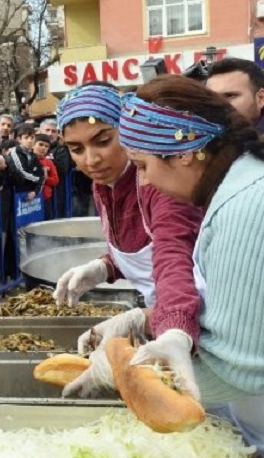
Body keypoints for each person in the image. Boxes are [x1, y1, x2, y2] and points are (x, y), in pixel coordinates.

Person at [109, 74, 264, 458]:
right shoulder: (237, 190)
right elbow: (246, 305)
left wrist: (127, 376)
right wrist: (151, 320)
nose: (144, 182)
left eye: (142, 166)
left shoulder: (250, 206)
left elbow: (242, 371)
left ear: (184, 154)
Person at [53, 84, 203, 399]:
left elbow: (173, 256)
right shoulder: (103, 185)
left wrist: (173, 330)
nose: (91, 160)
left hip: (195, 328)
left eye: (103, 141)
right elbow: (136, 242)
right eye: (76, 149)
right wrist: (104, 266)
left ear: (128, 130)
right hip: (161, 320)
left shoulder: (156, 182)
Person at [206, 58, 264, 157]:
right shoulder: (206, 148)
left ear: (261, 98)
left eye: (230, 96)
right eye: (212, 98)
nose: (218, 104)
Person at [33, 134, 59, 219]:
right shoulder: (26, 159)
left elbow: (55, 180)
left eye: (46, 146)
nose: (43, 148)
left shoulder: (49, 162)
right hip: (30, 199)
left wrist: (46, 178)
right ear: (33, 145)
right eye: (40, 144)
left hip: (45, 198)